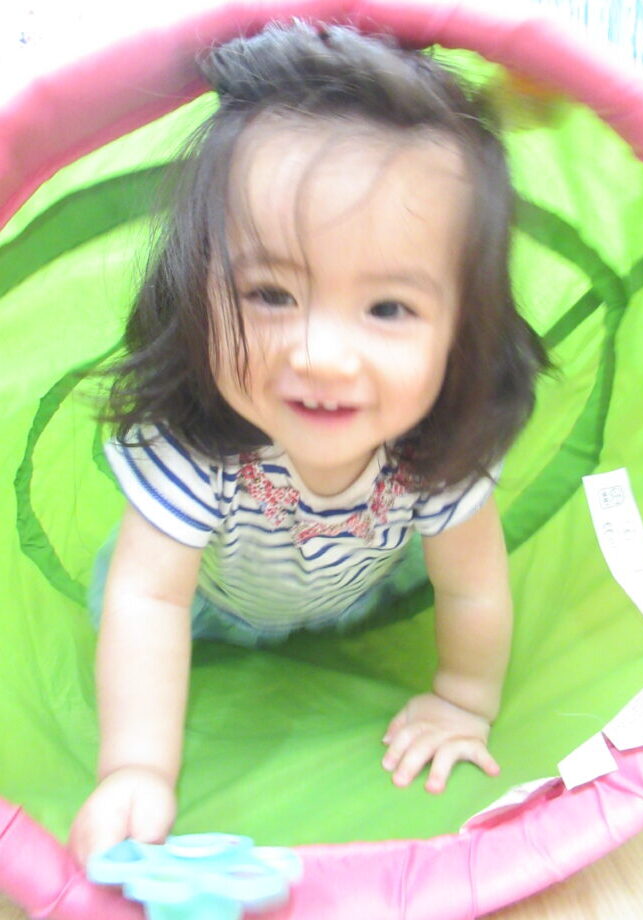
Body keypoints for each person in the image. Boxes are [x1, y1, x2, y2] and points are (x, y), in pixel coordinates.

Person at [69, 20, 548, 864]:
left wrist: (462, 701)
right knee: (137, 606)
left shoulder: (435, 450)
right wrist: (136, 769)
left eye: (389, 308)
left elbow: (473, 587)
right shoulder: (196, 448)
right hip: (207, 606)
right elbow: (152, 602)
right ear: (195, 295)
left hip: (357, 594)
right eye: (269, 294)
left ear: (462, 332)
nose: (321, 356)